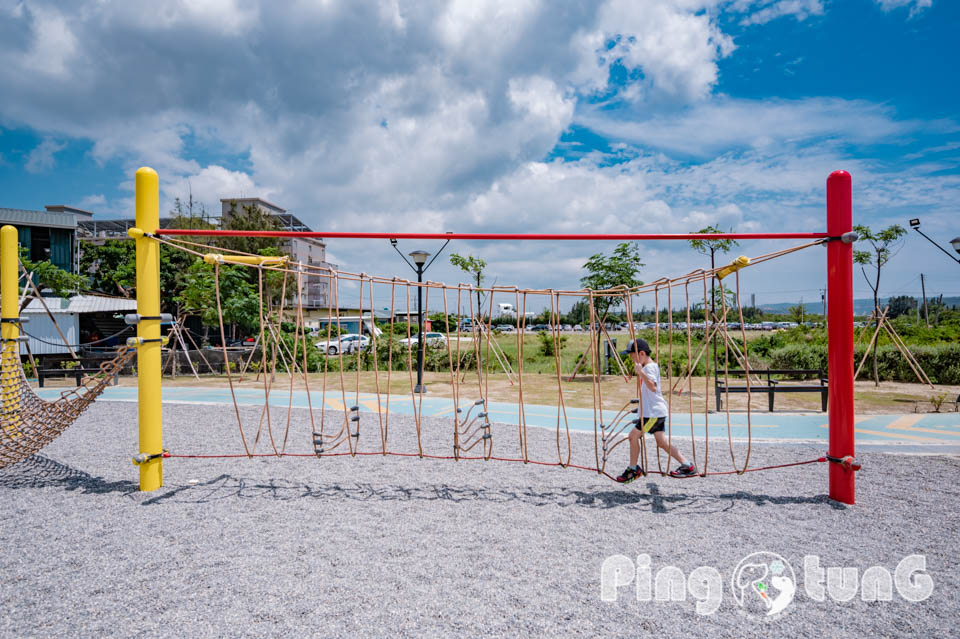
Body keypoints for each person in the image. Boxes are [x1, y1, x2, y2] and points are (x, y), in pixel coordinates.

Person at [615, 338, 697, 482]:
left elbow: (652, 387)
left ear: (641, 353)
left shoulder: (648, 368)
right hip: (655, 412)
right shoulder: (649, 367)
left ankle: (633, 469)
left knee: (633, 436)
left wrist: (641, 373)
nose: (630, 358)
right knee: (662, 443)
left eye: (631, 354)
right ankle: (687, 465)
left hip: (652, 414)